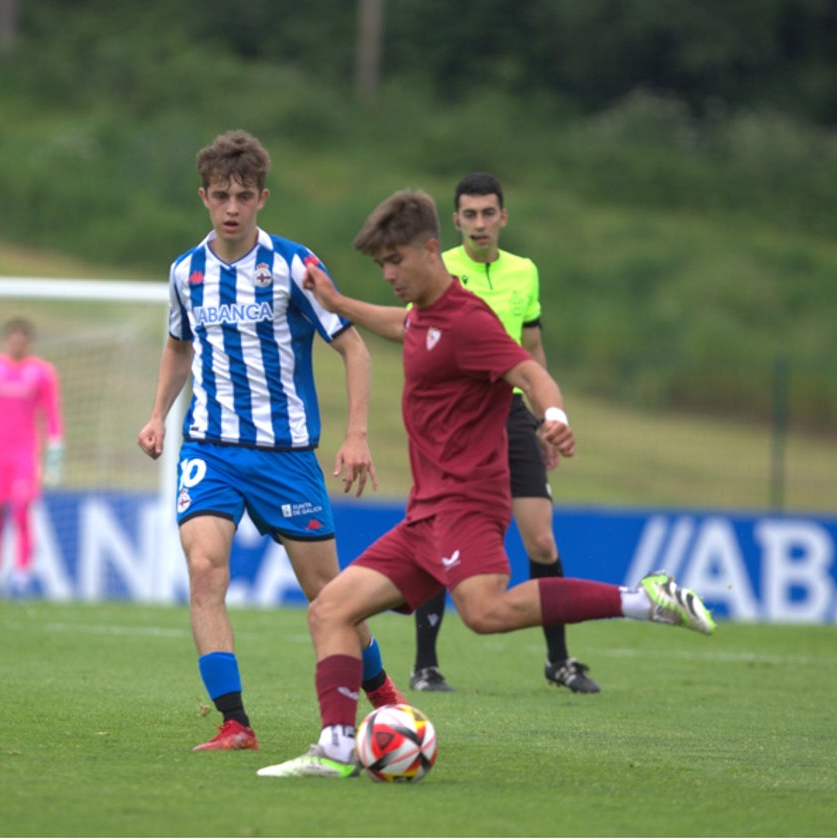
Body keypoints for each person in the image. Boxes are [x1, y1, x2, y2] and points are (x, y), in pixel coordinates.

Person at [256, 189, 715, 778]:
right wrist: (339, 300)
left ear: (430, 250)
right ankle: (338, 747)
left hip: (468, 503)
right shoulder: (424, 314)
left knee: (484, 611)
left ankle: (645, 599)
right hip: (425, 513)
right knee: (330, 611)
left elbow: (530, 371)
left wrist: (555, 417)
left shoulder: (470, 321)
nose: (390, 274)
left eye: (396, 261)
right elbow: (402, 325)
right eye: (381, 266)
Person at [137, 130, 406, 752]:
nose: (233, 207)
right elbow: (179, 347)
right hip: (209, 448)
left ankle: (385, 696)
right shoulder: (186, 272)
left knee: (328, 594)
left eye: (245, 196)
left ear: (263, 198)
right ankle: (236, 724)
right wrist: (158, 414)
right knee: (205, 571)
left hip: (286, 458)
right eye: (222, 195)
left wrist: (357, 433)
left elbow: (353, 345)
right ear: (204, 197)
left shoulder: (293, 266)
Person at [409, 172, 598, 695]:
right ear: (455, 221)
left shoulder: (525, 272)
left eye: (488, 213)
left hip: (512, 413)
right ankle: (425, 665)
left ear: (503, 217)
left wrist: (544, 417)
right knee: (439, 535)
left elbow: (532, 350)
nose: (479, 224)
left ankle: (558, 660)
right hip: (457, 418)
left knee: (540, 537)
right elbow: (415, 341)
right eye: (468, 215)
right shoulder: (437, 268)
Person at [0, 317, 64, 597]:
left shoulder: (42, 373)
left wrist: (55, 450)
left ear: (28, 342)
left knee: (21, 511)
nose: (18, 342)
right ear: (6, 340)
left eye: (23, 338)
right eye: (13, 337)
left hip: (25, 454)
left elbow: (52, 413)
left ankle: (21, 578)